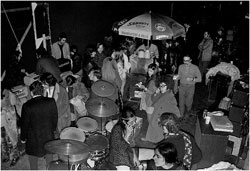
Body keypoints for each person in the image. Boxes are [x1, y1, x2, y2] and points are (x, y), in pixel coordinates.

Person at [20, 81, 58, 170]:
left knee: (33, 157)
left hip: (33, 136)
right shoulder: (50, 101)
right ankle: (49, 169)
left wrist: (23, 138)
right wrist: (52, 130)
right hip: (48, 133)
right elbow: (55, 117)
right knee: (49, 154)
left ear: (31, 92)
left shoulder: (27, 105)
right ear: (42, 91)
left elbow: (24, 124)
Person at [141, 78, 180, 143]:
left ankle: (158, 142)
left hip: (161, 117)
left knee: (159, 131)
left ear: (168, 86)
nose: (161, 88)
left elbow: (177, 113)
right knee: (152, 127)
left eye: (163, 86)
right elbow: (153, 100)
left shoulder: (170, 97)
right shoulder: (162, 93)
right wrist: (155, 93)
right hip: (155, 114)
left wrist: (168, 119)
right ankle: (150, 139)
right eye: (160, 86)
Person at [108, 106, 140, 170]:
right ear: (124, 121)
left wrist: (135, 157)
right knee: (126, 166)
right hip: (117, 155)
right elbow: (119, 149)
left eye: (134, 120)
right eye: (131, 122)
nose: (134, 123)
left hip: (128, 151)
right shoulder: (116, 130)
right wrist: (127, 135)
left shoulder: (130, 127)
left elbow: (132, 144)